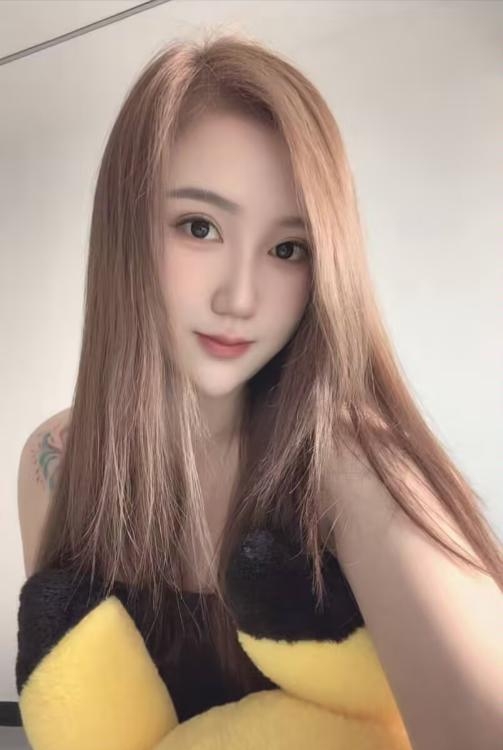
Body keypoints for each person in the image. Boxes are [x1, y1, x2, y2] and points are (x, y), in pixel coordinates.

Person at [17, 31, 503, 747]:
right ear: (126, 231)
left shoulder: (351, 463)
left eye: (286, 248)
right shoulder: (52, 463)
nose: (240, 298)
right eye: (200, 227)